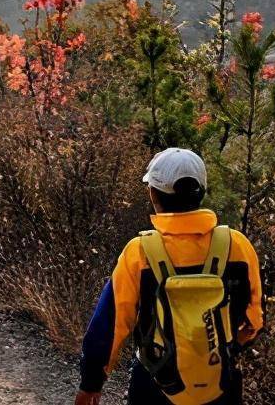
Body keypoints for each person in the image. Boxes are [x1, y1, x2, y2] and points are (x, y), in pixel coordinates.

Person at [75, 148, 263, 405]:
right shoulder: (237, 246)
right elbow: (254, 321)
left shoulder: (140, 252)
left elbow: (110, 324)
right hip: (220, 385)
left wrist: (91, 383)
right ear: (202, 192)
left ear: (152, 193)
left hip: (154, 387)